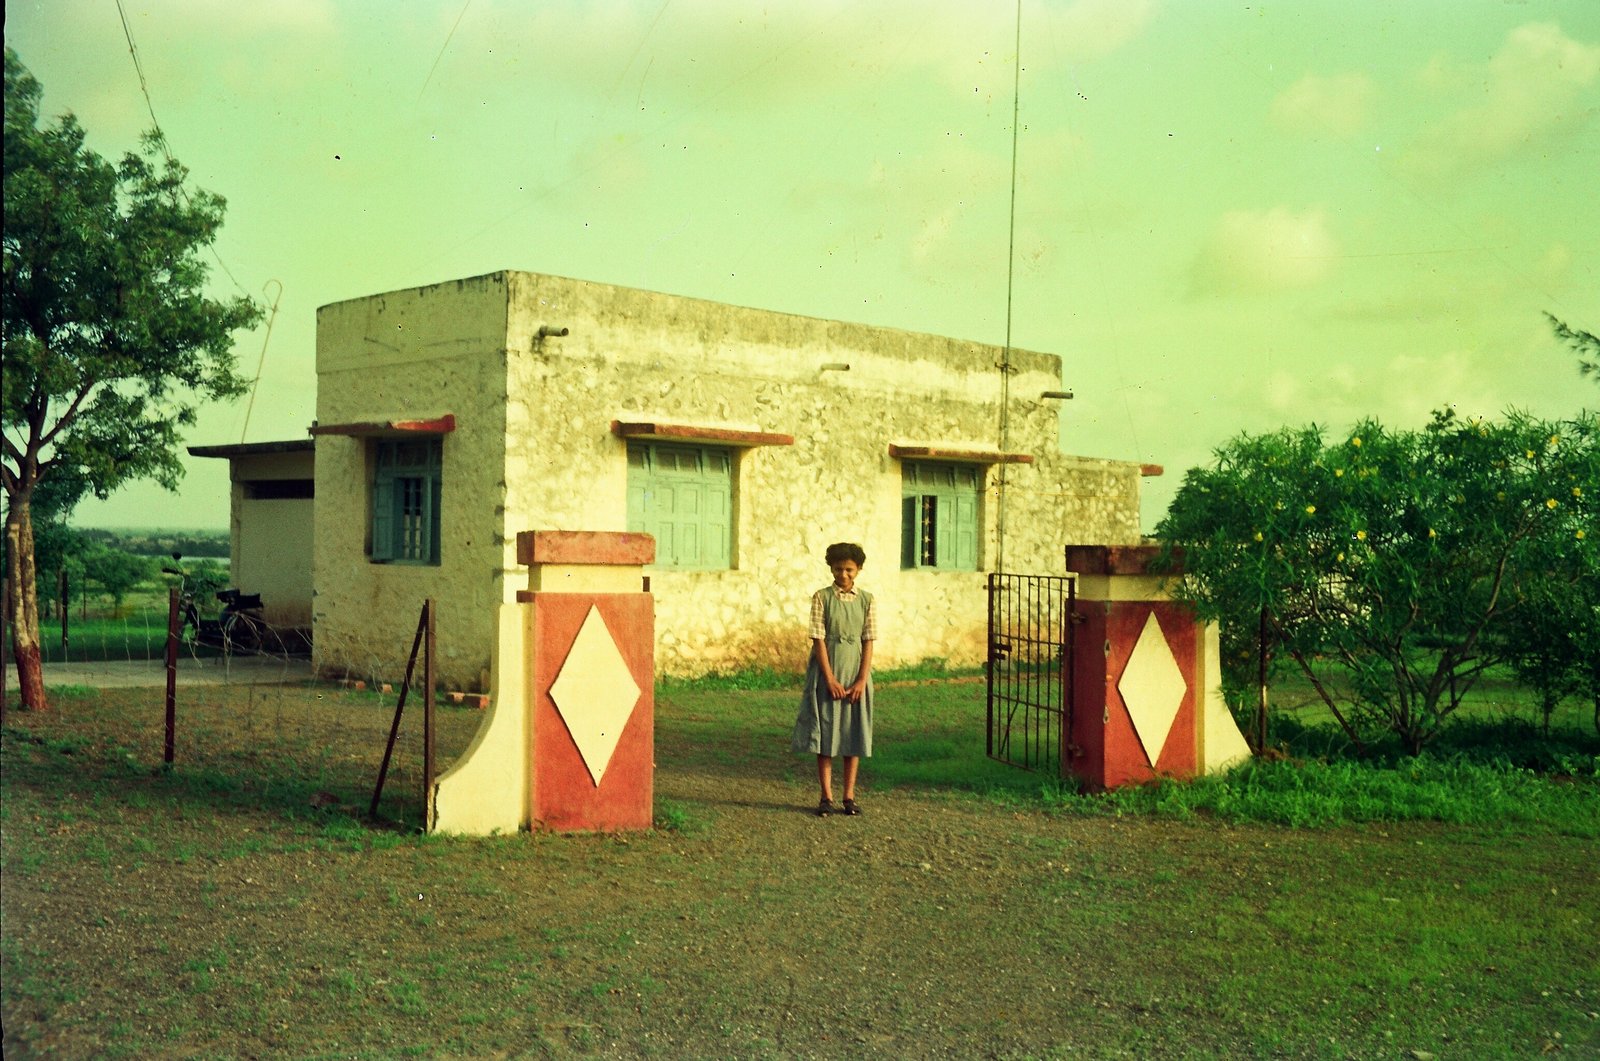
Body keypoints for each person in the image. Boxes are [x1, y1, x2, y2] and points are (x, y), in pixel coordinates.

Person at [791, 542, 876, 816]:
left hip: (855, 671)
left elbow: (868, 640)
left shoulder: (867, 600)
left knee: (853, 733)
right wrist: (829, 679)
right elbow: (818, 639)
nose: (844, 575)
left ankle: (848, 796)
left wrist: (861, 680)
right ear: (831, 569)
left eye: (849, 569)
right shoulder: (821, 598)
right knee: (826, 734)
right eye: (838, 569)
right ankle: (826, 796)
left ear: (858, 569)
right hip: (828, 671)